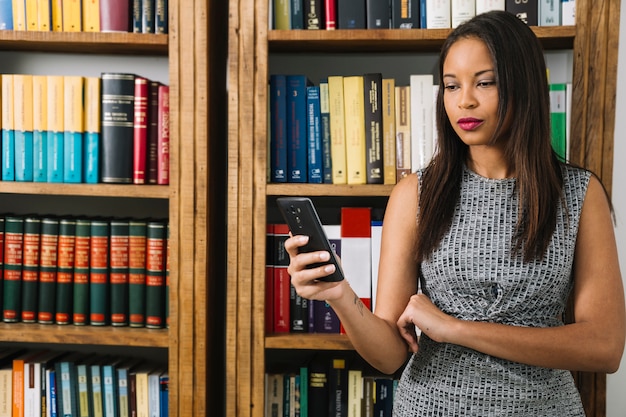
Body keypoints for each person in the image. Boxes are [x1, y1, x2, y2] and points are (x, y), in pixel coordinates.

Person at [284, 10, 626, 416]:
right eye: (451, 85)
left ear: (525, 86)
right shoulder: (416, 194)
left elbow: (605, 348)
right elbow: (391, 357)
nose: (465, 100)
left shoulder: (578, 195)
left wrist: (458, 329)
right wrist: (339, 295)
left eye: (485, 82)